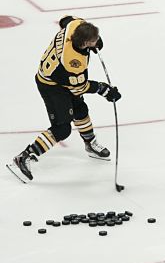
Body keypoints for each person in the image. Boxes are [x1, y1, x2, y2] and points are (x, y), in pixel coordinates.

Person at [7, 16, 121, 182]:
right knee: (62, 128)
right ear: (84, 43)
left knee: (80, 110)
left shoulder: (75, 25)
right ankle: (24, 157)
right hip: (51, 85)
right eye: (93, 40)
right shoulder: (73, 62)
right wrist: (103, 89)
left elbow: (65, 20)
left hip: (62, 77)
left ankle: (90, 144)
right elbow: (79, 87)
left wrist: (95, 40)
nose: (96, 41)